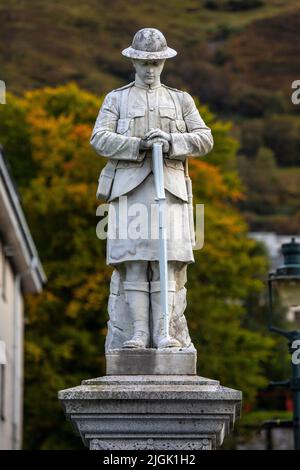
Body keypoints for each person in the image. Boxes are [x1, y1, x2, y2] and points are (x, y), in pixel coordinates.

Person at [90, 28, 213, 349]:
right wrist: (138, 144)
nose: (149, 70)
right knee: (133, 261)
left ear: (163, 63)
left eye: (156, 63)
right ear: (133, 62)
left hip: (169, 192)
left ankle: (164, 333)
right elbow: (99, 138)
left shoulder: (180, 99)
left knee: (167, 262)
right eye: (144, 63)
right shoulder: (116, 99)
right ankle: (138, 333)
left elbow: (205, 138)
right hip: (129, 191)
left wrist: (171, 141)